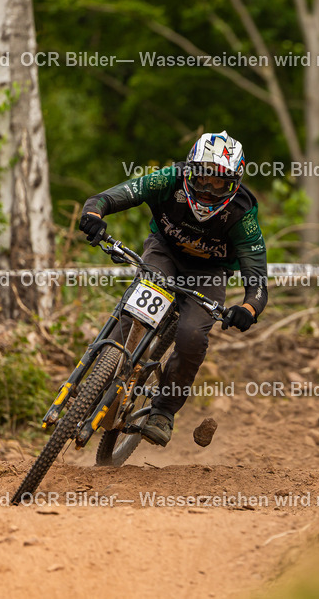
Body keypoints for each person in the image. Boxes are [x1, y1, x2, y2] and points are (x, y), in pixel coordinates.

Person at [78, 131, 267, 446]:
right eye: (203, 179)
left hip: (208, 273)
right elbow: (110, 196)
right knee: (134, 311)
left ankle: (163, 411)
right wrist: (93, 214)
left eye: (219, 183)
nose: (208, 190)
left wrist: (247, 309)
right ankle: (98, 381)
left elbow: (257, 280)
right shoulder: (169, 179)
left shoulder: (242, 214)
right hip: (164, 252)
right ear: (189, 171)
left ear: (234, 184)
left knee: (192, 335)